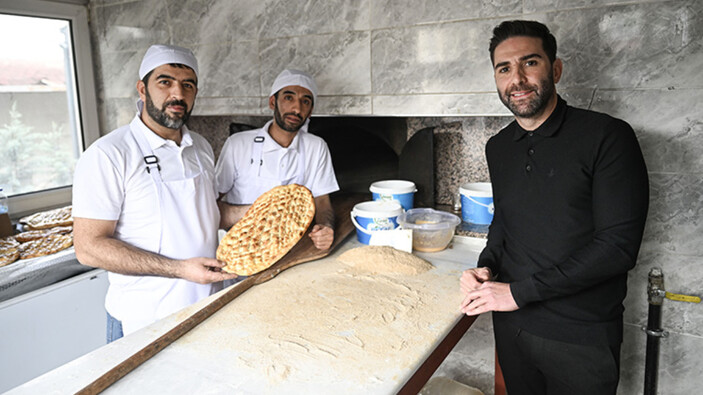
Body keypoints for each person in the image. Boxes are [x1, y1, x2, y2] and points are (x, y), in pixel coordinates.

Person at [459, 20, 649, 394]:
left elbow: (617, 248)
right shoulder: (499, 146)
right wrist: (486, 266)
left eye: (530, 63)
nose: (518, 79)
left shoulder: (607, 136)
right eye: (504, 68)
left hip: (581, 336)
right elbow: (504, 223)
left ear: (555, 69)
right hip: (514, 326)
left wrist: (516, 293)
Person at [73, 45, 238, 342]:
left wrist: (261, 208)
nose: (177, 94)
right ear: (142, 89)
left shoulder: (199, 146)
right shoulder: (109, 154)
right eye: (165, 82)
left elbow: (207, 212)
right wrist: (179, 269)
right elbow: (88, 247)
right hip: (144, 319)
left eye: (188, 85)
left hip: (207, 305)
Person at [216, 69, 339, 250]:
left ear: (310, 111)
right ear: (273, 102)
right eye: (289, 98)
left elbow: (322, 201)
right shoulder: (238, 144)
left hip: (293, 246)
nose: (297, 109)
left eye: (305, 101)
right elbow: (211, 201)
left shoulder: (316, 146)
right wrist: (258, 212)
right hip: (243, 248)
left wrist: (326, 228)